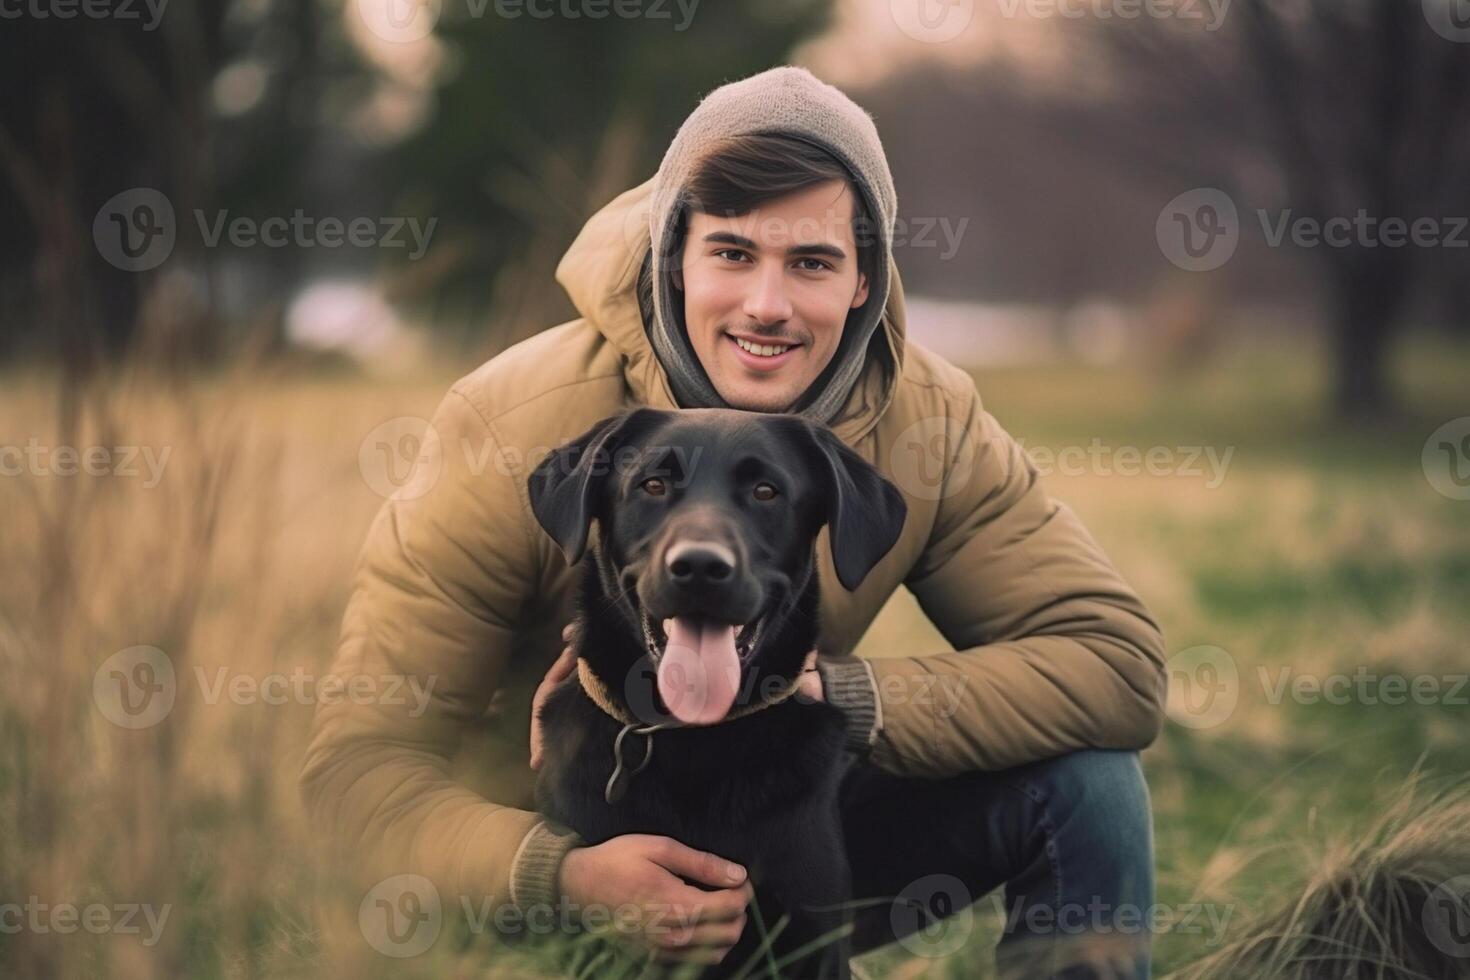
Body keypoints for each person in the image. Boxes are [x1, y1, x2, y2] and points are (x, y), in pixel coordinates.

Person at [300, 65, 1167, 979]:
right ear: (675, 254)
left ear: (864, 277)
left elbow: (1114, 661)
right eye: (732, 253)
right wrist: (558, 874)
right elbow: (356, 776)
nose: (767, 305)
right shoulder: (511, 425)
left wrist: (841, 695)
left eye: (812, 262)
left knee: (1089, 786)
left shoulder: (926, 424)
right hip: (539, 853)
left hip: (792, 838)